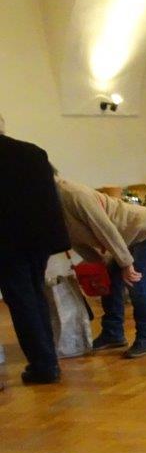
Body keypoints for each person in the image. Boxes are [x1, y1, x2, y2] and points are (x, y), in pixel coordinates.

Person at [55, 177, 146, 359]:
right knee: (109, 280)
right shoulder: (49, 206)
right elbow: (76, 240)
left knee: (136, 283)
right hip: (125, 237)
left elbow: (106, 229)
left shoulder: (74, 195)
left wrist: (126, 263)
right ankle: (113, 333)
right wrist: (98, 266)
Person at [0, 115, 70, 385]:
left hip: (7, 242)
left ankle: (43, 365)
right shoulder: (32, 152)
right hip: (39, 238)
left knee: (22, 301)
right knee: (35, 295)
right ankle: (49, 359)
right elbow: (49, 198)